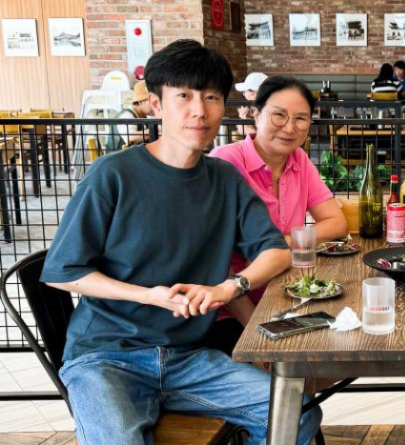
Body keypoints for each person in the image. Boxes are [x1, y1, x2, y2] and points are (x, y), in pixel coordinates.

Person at [40, 40, 321, 445]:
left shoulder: (224, 179)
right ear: (156, 104)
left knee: (297, 413)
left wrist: (230, 287)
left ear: (224, 107)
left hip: (189, 356)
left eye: (210, 97)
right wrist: (150, 296)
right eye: (183, 96)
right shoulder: (112, 174)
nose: (199, 110)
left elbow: (275, 251)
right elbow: (63, 272)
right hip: (106, 356)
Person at [206, 75, 347, 356]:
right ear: (255, 114)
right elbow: (213, 261)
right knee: (284, 378)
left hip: (288, 295)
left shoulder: (299, 160)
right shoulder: (226, 161)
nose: (289, 128)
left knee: (348, 342)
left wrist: (282, 242)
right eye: (279, 116)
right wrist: (254, 326)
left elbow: (337, 223)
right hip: (230, 307)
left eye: (301, 119)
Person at [106, 80, 154, 152]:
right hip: (117, 160)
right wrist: (156, 130)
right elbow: (131, 137)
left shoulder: (143, 115)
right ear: (142, 101)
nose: (156, 105)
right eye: (152, 101)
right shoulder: (127, 115)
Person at [235, 71, 268, 137]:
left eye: (245, 91)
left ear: (253, 94)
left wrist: (243, 119)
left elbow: (257, 134)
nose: (244, 94)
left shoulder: (265, 109)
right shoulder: (256, 107)